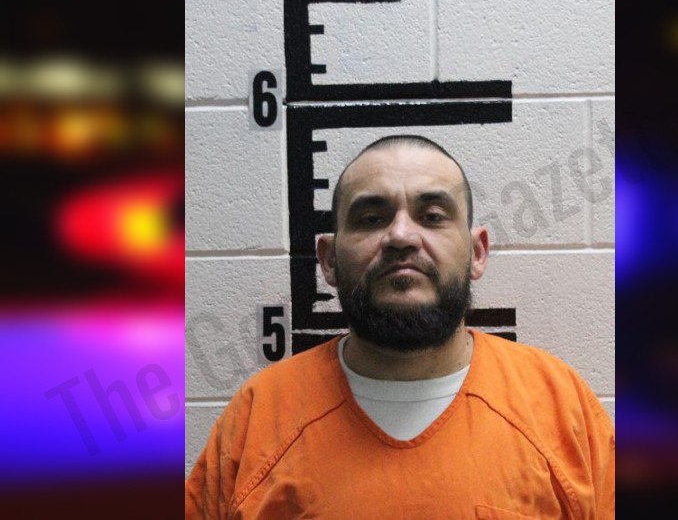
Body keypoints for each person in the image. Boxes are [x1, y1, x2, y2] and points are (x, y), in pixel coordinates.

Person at [185, 135, 615, 519]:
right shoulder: (258, 418)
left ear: (477, 252)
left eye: (432, 215)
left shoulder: (561, 408)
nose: (401, 236)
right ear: (329, 260)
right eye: (372, 218)